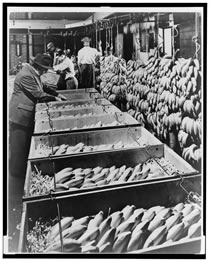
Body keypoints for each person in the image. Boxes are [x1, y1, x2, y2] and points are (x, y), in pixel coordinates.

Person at [9, 53, 66, 208]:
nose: (44, 72)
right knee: (18, 149)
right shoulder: (26, 75)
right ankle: (15, 187)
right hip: (20, 116)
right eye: (44, 69)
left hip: (26, 114)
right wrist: (55, 99)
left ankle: (20, 177)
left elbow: (43, 87)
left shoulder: (33, 73)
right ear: (38, 67)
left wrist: (57, 93)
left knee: (23, 148)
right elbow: (38, 94)